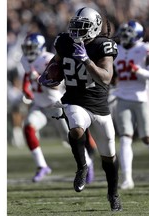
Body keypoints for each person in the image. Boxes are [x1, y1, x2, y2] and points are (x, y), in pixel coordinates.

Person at [38, 7, 122, 211]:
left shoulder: (103, 46)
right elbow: (55, 64)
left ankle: (113, 194)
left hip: (99, 105)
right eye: (74, 25)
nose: (76, 30)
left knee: (109, 157)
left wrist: (86, 60)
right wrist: (48, 74)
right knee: (76, 129)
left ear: (94, 28)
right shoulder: (65, 41)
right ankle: (82, 166)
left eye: (82, 27)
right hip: (74, 100)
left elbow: (105, 77)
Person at [20, 33, 95, 183]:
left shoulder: (47, 59)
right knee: (28, 127)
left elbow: (58, 83)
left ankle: (88, 163)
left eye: (31, 47)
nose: (28, 50)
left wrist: (42, 79)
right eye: (26, 47)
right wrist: (26, 88)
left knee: (70, 139)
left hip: (55, 104)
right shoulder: (24, 60)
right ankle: (42, 166)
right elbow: (27, 75)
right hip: (39, 105)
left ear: (39, 47)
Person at [113, 20, 149, 190]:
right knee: (125, 138)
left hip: (142, 97)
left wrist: (140, 71)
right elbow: (112, 76)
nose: (124, 36)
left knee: (146, 139)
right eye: (123, 32)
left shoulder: (145, 49)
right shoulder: (117, 50)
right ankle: (127, 178)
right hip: (122, 97)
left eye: (128, 33)